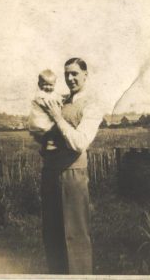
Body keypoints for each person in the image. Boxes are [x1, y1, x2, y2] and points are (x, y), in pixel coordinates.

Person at [37, 58, 103, 274]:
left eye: (75, 73)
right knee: (52, 234)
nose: (70, 78)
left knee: (75, 235)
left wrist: (57, 118)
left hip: (73, 173)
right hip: (50, 174)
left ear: (86, 74)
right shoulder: (60, 100)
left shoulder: (92, 104)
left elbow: (80, 142)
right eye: (66, 74)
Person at [28, 69, 62, 150]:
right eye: (45, 84)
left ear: (54, 85)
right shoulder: (41, 95)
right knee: (54, 128)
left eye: (51, 85)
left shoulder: (50, 94)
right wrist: (59, 103)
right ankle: (50, 143)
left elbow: (57, 97)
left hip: (42, 121)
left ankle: (48, 144)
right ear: (39, 84)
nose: (48, 87)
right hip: (41, 122)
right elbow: (48, 105)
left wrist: (60, 99)